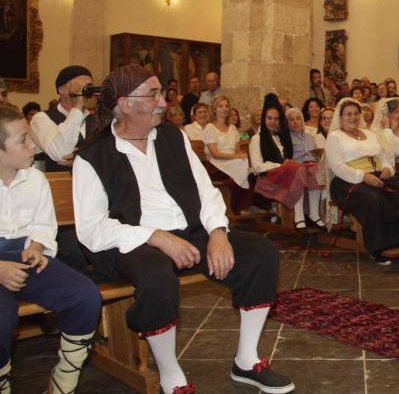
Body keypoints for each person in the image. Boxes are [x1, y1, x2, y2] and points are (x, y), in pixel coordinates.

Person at [72, 65, 293, 393]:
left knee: (261, 254)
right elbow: (92, 229)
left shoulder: (173, 137)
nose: (163, 101)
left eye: (161, 92)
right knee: (157, 274)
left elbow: (205, 189)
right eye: (153, 94)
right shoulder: (93, 157)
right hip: (131, 241)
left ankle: (246, 360)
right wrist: (156, 237)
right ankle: (170, 375)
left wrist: (218, 231)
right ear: (125, 104)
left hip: (189, 231)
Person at [0, 105, 102, 394]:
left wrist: (36, 246)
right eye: (23, 139)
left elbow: (44, 223)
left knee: (85, 296)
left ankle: (64, 380)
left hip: (25, 257)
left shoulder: (34, 178)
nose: (33, 144)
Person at [325, 98, 399, 264]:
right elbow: (337, 167)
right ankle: (377, 248)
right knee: (375, 200)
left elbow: (383, 155)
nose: (353, 117)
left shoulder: (370, 134)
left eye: (356, 113)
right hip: (348, 181)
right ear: (340, 117)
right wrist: (363, 177)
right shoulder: (335, 137)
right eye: (348, 114)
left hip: (376, 173)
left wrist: (387, 168)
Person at [251, 96, 324, 231]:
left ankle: (314, 214)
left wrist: (287, 164)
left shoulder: (280, 137)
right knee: (297, 169)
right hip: (268, 176)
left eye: (276, 119)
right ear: (263, 119)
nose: (273, 122)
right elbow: (257, 167)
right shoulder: (257, 139)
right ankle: (299, 217)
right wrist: (282, 165)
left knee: (314, 168)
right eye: (269, 118)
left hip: (285, 171)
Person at [30, 65, 98, 172]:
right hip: (58, 184)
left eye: (88, 86)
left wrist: (78, 160)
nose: (84, 90)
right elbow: (60, 153)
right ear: (61, 89)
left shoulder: (98, 120)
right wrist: (77, 106)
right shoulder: (41, 118)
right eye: (77, 86)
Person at [203, 95, 252, 214]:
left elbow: (238, 151)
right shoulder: (210, 127)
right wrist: (236, 157)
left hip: (233, 162)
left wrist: (240, 156)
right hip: (216, 165)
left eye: (226, 106)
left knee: (249, 168)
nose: (224, 109)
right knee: (243, 168)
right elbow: (215, 154)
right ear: (214, 109)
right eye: (220, 106)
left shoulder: (233, 128)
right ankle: (236, 207)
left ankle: (240, 205)